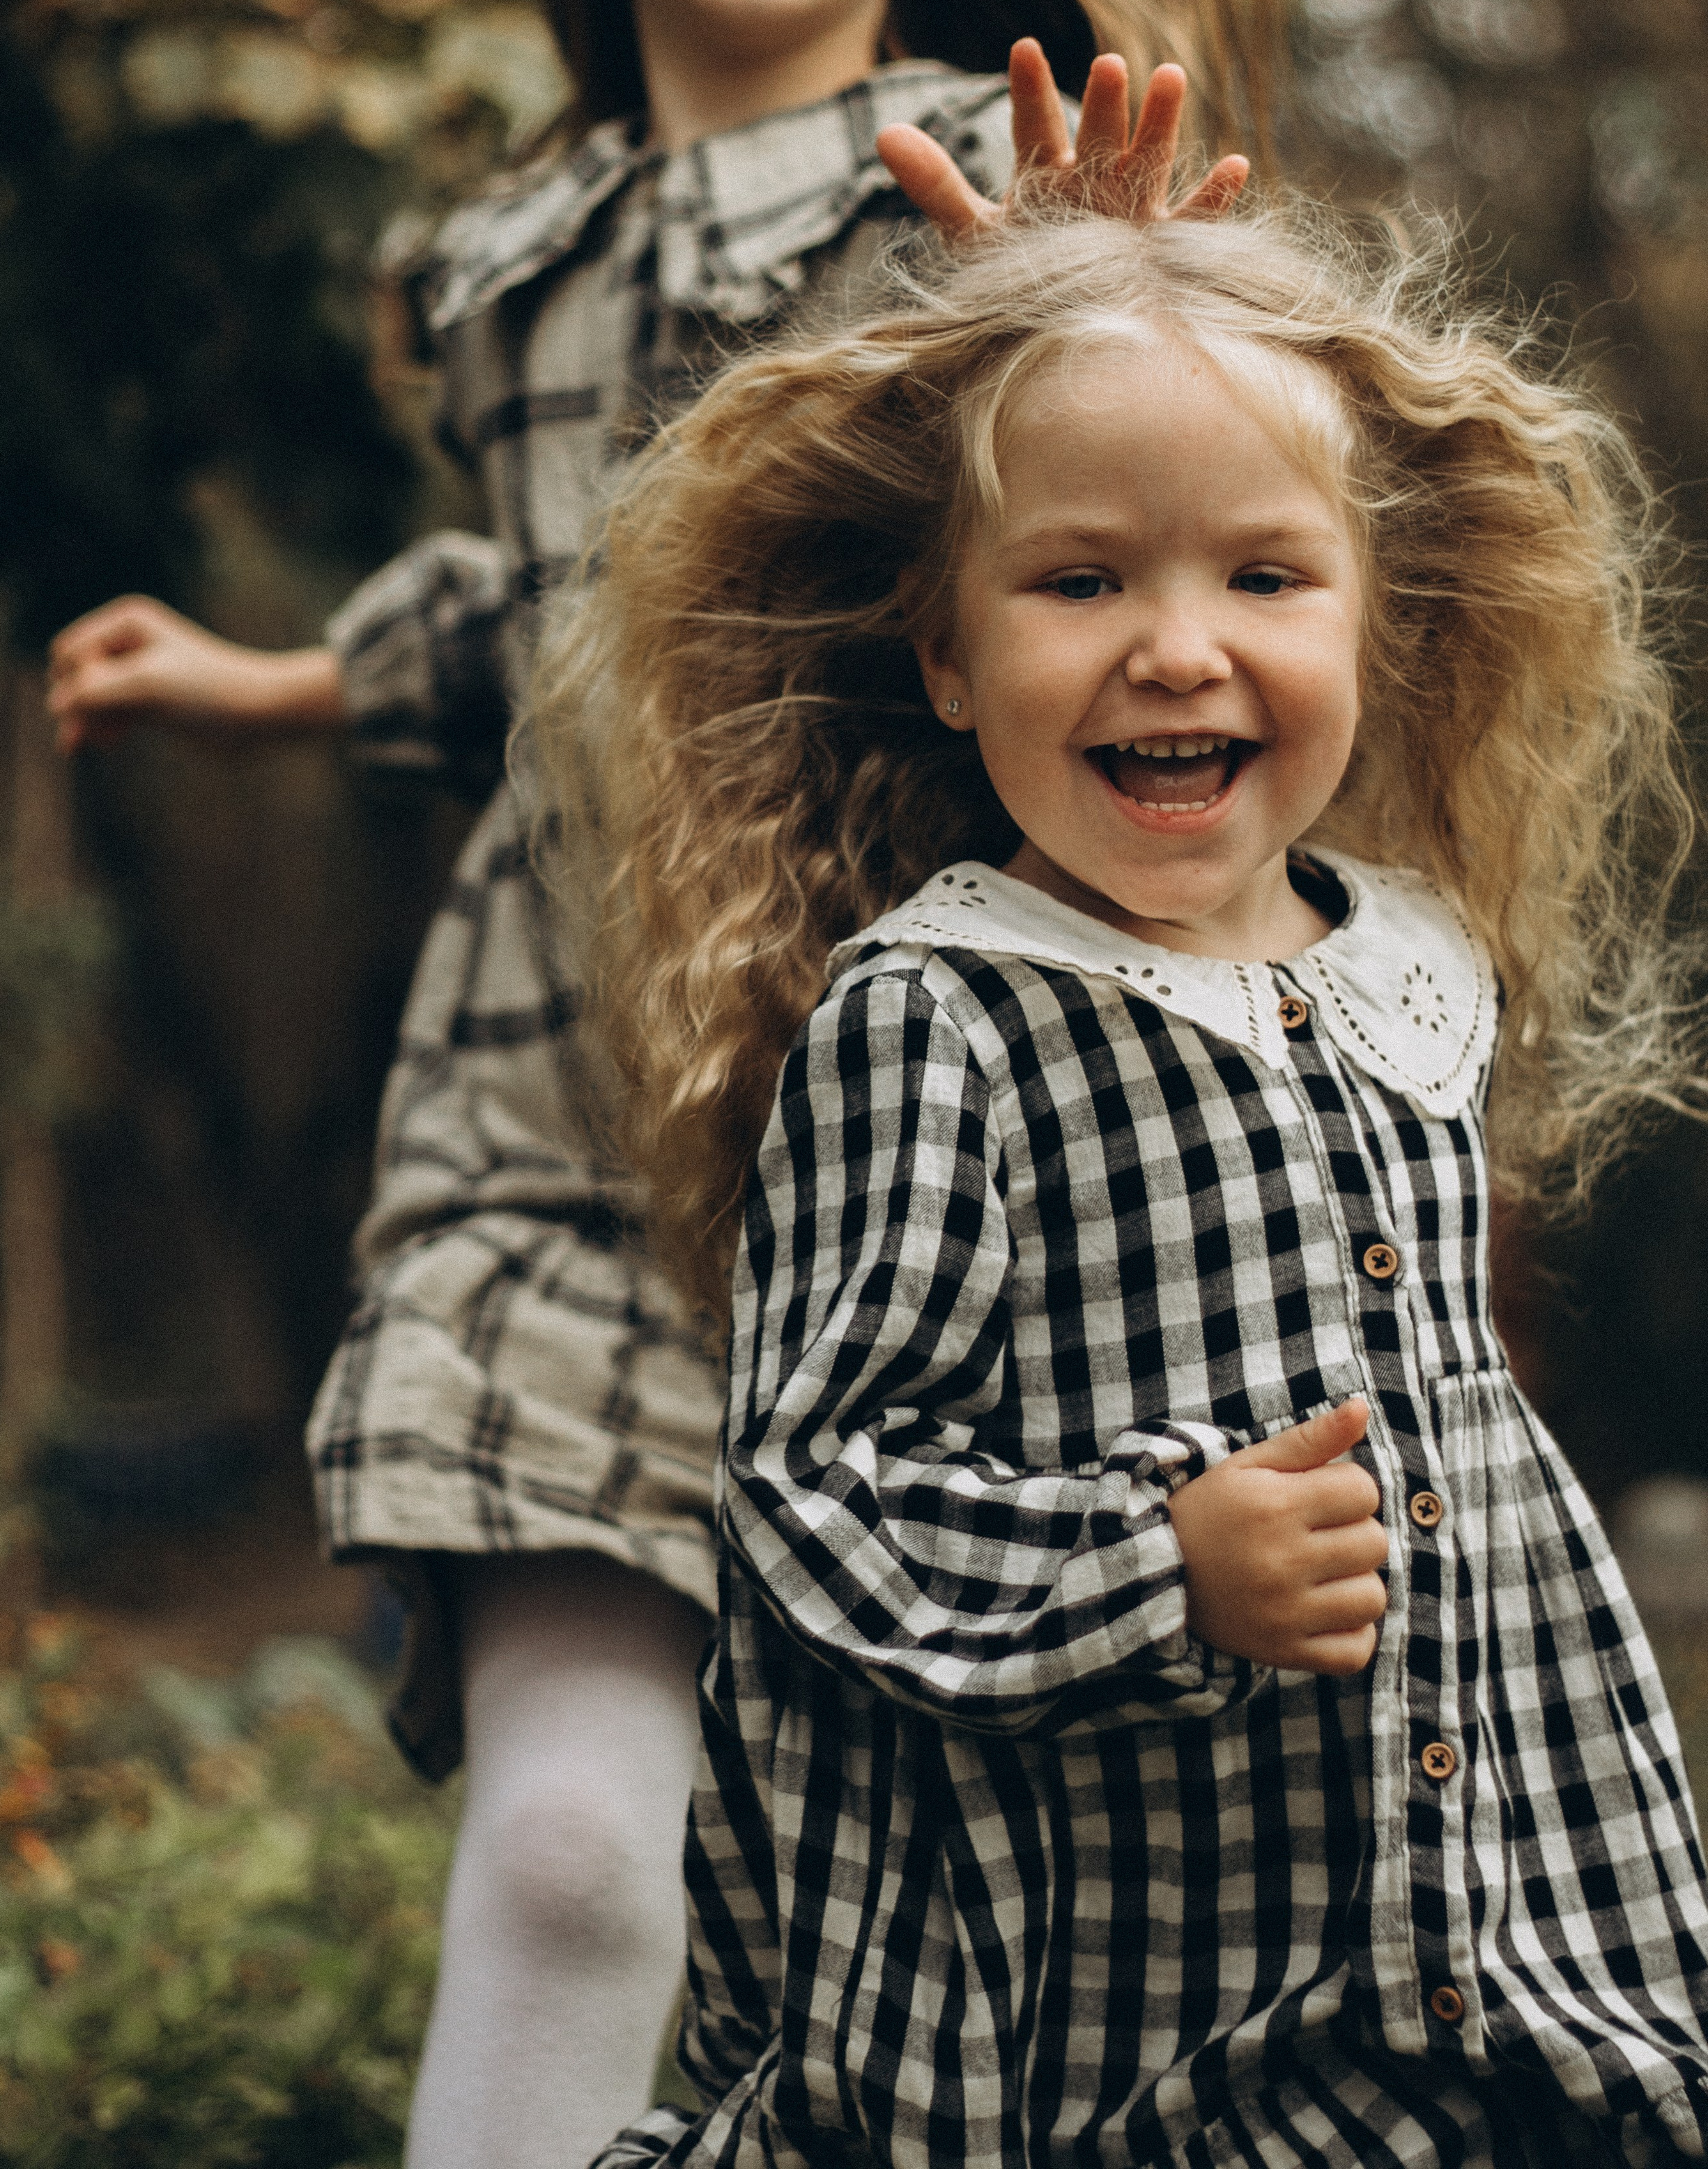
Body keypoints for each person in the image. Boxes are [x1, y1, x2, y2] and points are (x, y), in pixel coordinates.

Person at [44, 0, 1278, 2163]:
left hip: (950, 1148)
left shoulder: (998, 186)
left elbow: (1147, 544)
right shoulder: (497, 269)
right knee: (587, 1859)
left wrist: (1111, 313)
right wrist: (273, 681)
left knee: (972, 1931)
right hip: (562, 1131)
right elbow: (544, 595)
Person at [545, 194, 1708, 2165]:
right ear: (945, 653)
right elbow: (821, 1485)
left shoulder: (1410, 958)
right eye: (1080, 582)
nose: (1181, 650)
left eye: (1267, 574)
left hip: (1465, 1900)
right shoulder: (942, 1016)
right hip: (1131, 1969)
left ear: (1374, 624)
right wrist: (1161, 1563)